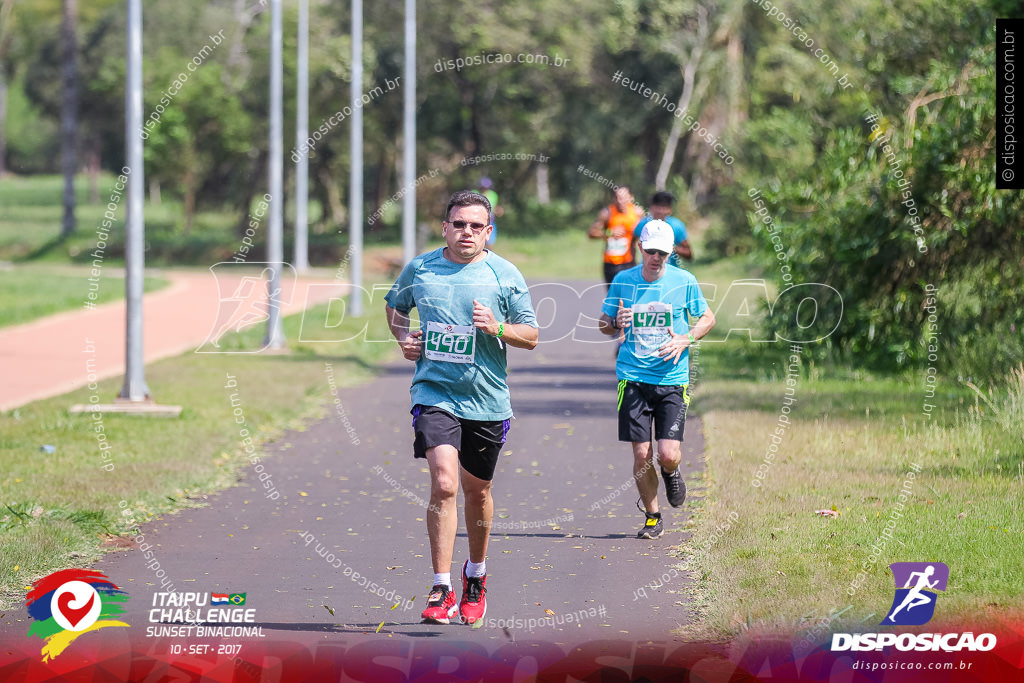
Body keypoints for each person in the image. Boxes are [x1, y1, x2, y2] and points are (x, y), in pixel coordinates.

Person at [384, 189, 539, 625]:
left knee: (478, 491)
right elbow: (395, 307)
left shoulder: (504, 274)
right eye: (459, 224)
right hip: (435, 393)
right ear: (445, 227)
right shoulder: (421, 268)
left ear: (488, 232)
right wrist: (404, 340)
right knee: (445, 482)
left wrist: (498, 326)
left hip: (487, 399)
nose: (466, 232)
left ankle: (476, 574)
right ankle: (441, 586)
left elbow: (532, 335)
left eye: (476, 226)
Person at [598, 220, 716, 539]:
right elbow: (603, 324)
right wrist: (614, 322)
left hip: (672, 378)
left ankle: (671, 471)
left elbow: (707, 318)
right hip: (632, 376)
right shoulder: (624, 280)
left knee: (667, 453)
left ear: (670, 252)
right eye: (650, 251)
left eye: (662, 253)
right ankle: (653, 516)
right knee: (641, 453)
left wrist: (686, 339)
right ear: (640, 248)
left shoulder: (684, 280)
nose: (655, 258)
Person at [588, 186, 645, 289]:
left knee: (629, 296)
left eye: (623, 197)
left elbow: (645, 234)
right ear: (613, 199)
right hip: (611, 263)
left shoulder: (637, 213)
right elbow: (591, 233)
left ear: (631, 197)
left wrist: (638, 226)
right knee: (613, 296)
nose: (620, 201)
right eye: (617, 198)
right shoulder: (607, 213)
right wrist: (609, 233)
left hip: (629, 262)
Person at [631, 191, 692, 268]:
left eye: (664, 207)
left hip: (670, 274)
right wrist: (633, 262)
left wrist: (669, 247)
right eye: (657, 207)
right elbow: (632, 242)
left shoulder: (677, 226)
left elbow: (689, 255)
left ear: (670, 210)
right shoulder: (643, 225)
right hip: (647, 272)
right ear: (651, 207)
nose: (660, 211)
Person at [479, 177, 502, 246]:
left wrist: (498, 210)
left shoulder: (493, 195)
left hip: (490, 221)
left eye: (486, 187)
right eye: (483, 187)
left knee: (489, 243)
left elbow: (494, 207)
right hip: (478, 221)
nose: (485, 189)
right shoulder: (475, 194)